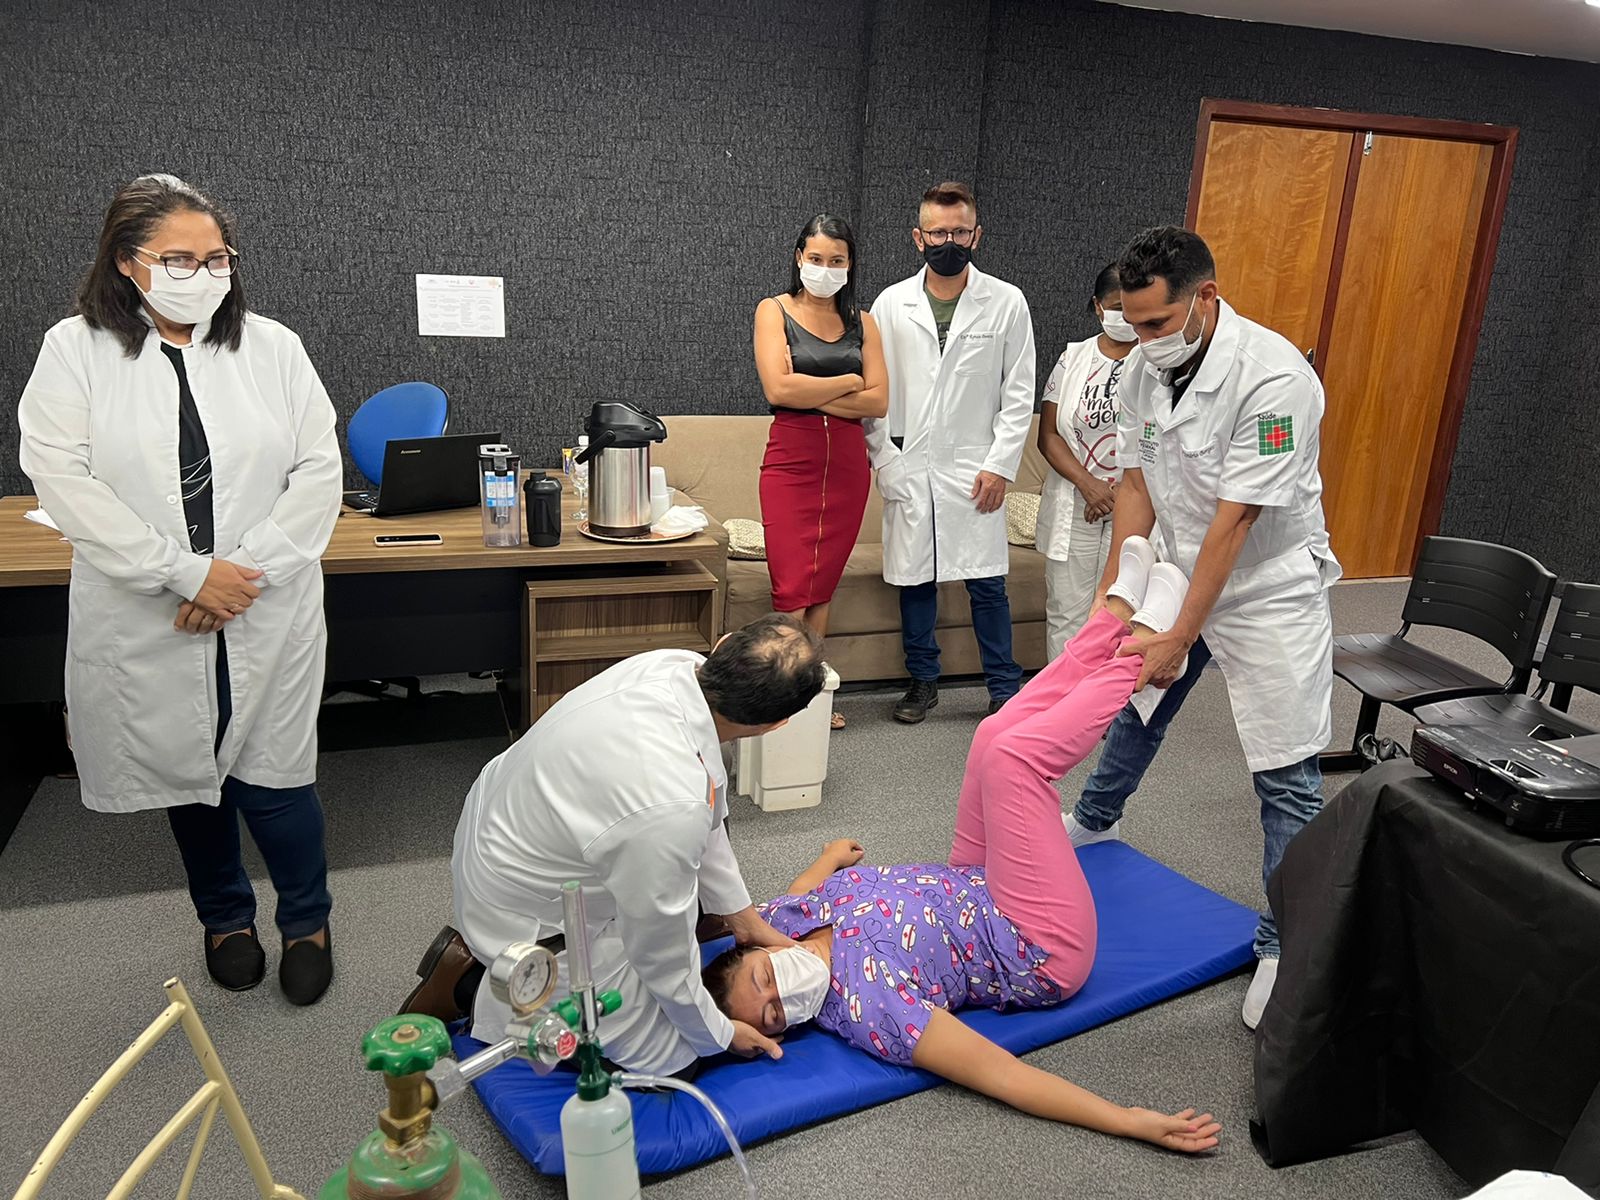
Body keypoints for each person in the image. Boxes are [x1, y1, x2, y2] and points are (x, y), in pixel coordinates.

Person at [704, 545, 1219, 1154]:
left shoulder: (781, 922)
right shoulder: (869, 1010)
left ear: (757, 948)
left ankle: (1110, 621)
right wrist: (1128, 1119)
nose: (782, 991)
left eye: (765, 977)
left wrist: (827, 858)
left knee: (992, 734)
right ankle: (1144, 652)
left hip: (970, 881)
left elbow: (792, 897)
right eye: (772, 1015)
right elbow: (998, 1071)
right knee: (1016, 761)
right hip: (1032, 942)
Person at [17, 174, 342, 1004]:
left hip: (264, 601)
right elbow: (61, 478)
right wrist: (187, 573)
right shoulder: (74, 350)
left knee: (276, 779)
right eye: (180, 259)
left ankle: (307, 921)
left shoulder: (273, 347)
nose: (203, 273)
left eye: (217, 257)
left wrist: (244, 573)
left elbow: (317, 470)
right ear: (129, 263)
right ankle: (225, 917)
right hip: (151, 602)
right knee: (187, 774)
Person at [1061, 226, 1341, 1030]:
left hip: (1265, 586)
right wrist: (1117, 595)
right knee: (1134, 698)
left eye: (1155, 324)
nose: (1141, 341)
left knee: (1285, 769)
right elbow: (1138, 487)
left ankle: (1284, 941)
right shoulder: (1150, 371)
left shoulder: (1277, 379)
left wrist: (1182, 633)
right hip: (1185, 560)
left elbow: (1237, 520)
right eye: (1131, 322)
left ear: (1205, 299)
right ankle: (1096, 819)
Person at [419, 615, 826, 1077]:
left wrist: (744, 920)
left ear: (724, 644)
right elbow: (663, 961)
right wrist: (721, 1034)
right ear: (776, 724)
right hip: (524, 917)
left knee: (691, 912)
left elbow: (707, 809)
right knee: (680, 1063)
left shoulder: (675, 665)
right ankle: (471, 982)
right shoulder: (669, 802)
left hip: (502, 828)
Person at [864, 181, 1036, 723]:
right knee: (915, 580)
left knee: (986, 582)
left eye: (959, 231)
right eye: (937, 232)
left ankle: (1004, 687)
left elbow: (1018, 392)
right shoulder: (891, 304)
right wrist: (884, 461)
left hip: (975, 465)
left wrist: (1001, 466)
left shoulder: (1006, 302)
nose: (948, 240)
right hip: (910, 462)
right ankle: (923, 683)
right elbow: (872, 392)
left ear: (976, 235)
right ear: (918, 237)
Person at [752, 214, 888, 730]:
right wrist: (850, 379)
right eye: (816, 258)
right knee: (791, 588)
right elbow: (779, 392)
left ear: (850, 265)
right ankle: (777, 693)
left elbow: (880, 400)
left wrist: (816, 386)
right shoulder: (773, 311)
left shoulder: (864, 321)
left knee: (822, 587)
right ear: (798, 257)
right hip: (792, 461)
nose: (825, 269)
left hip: (849, 467)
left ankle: (809, 695)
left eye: (837, 261)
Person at [1036, 263, 1139, 658]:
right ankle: (1060, 709)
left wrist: (1116, 492)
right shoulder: (1072, 358)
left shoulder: (1157, 360)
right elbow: (1049, 434)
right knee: (1066, 613)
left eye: (1132, 309)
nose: (1125, 318)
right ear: (1098, 307)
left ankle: (1104, 711)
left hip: (1133, 502)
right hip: (1076, 502)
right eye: (1116, 307)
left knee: (1119, 613)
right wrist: (1090, 485)